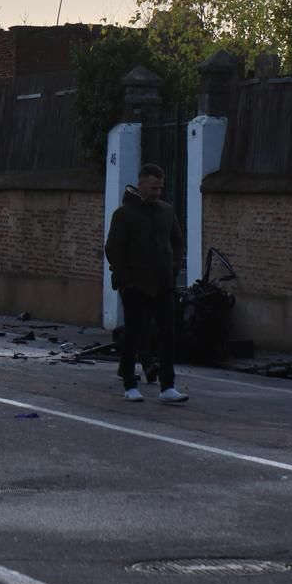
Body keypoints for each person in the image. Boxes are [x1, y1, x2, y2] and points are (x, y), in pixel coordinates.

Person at [104, 163, 188, 404]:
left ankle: (168, 385)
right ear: (140, 185)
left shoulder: (166, 211)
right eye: (152, 188)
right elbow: (113, 247)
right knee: (133, 333)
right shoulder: (124, 214)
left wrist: (173, 268)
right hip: (134, 285)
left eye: (160, 188)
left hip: (162, 283)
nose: (157, 192)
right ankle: (130, 383)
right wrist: (125, 278)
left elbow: (178, 240)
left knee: (167, 333)